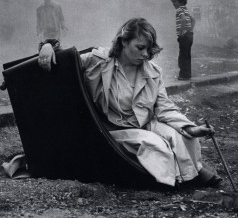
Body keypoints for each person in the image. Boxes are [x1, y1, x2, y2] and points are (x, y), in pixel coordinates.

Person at [37, 18, 222, 188]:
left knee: (182, 136)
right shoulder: (98, 61)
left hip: (145, 124)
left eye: (149, 49)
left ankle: (193, 173)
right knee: (155, 143)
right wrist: (47, 46)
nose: (145, 54)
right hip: (111, 129)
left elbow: (165, 109)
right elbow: (65, 60)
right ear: (124, 41)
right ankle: (180, 182)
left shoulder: (153, 72)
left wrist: (191, 129)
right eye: (140, 47)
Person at [171, 0, 195, 81]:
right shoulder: (186, 9)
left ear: (180, 1)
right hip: (189, 36)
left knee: (182, 56)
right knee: (187, 56)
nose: (173, 4)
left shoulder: (179, 10)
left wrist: (181, 33)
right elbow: (193, 20)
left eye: (174, 1)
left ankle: (183, 75)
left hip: (184, 37)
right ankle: (187, 74)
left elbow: (184, 19)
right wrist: (190, 30)